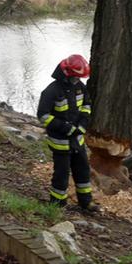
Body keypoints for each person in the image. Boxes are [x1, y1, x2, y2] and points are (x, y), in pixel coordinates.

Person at [37, 54, 100, 212]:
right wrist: (65, 128)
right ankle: (57, 204)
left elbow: (86, 105)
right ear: (67, 73)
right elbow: (43, 116)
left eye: (79, 78)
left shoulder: (80, 87)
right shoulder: (51, 91)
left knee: (83, 170)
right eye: (75, 77)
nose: (77, 80)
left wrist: (83, 124)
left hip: (77, 140)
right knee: (62, 173)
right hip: (60, 141)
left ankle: (86, 202)